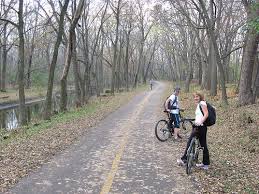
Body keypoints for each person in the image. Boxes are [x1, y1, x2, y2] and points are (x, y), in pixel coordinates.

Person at [177, 91, 210, 170]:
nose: (195, 98)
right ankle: (206, 164)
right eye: (194, 97)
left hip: (200, 127)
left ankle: (184, 159)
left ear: (200, 97)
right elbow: (200, 115)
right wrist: (195, 120)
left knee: (190, 141)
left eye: (197, 96)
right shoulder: (200, 104)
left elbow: (206, 114)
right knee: (203, 145)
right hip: (201, 126)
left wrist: (200, 122)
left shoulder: (202, 103)